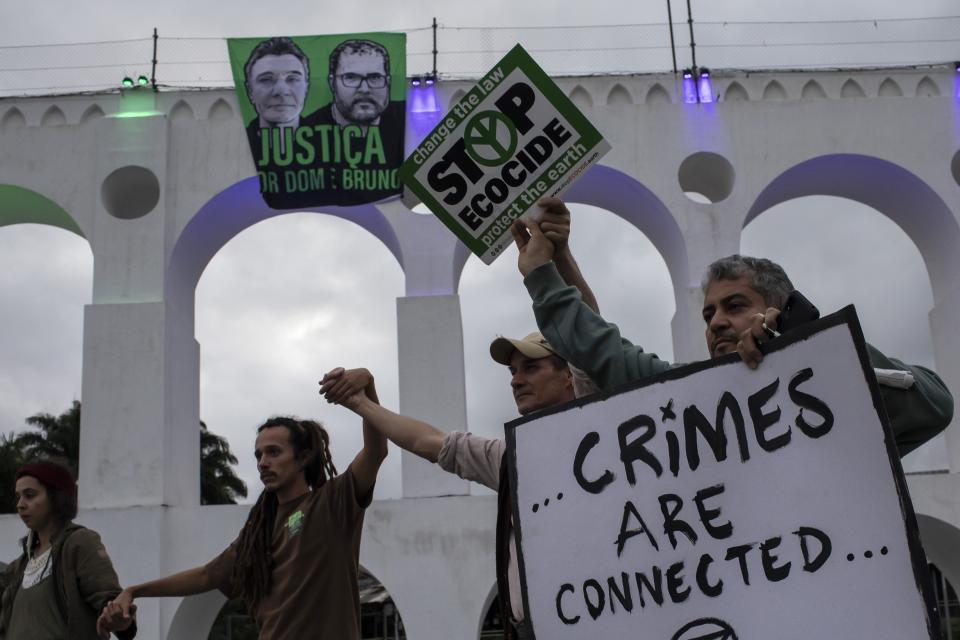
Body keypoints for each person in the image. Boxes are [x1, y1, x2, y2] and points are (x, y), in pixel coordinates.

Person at [513, 197, 954, 456]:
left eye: (735, 306)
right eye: (708, 315)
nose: (718, 322)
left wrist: (810, 346)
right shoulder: (687, 402)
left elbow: (933, 403)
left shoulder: (832, 392)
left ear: (778, 309)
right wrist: (550, 266)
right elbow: (598, 351)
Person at [321, 332, 584, 640]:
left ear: (570, 375)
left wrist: (540, 283)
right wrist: (359, 401)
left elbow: (583, 323)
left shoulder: (611, 434)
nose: (516, 381)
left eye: (531, 368)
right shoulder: (508, 458)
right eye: (512, 371)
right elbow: (426, 441)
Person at [99, 374, 387, 640]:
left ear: (303, 457)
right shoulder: (257, 534)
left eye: (274, 452)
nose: (263, 462)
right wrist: (135, 591)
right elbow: (206, 576)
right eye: (258, 454)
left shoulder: (333, 502)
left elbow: (376, 450)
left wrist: (367, 388)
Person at [0, 461, 136, 640]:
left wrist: (118, 618)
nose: (20, 504)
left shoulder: (78, 542)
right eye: (18, 496)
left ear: (56, 498)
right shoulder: (20, 566)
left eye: (30, 495)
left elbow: (111, 601)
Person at [243, 36, 310, 132]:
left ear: (306, 88)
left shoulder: (326, 139)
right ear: (250, 91)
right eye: (266, 80)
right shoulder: (238, 140)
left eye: (292, 79)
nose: (281, 91)